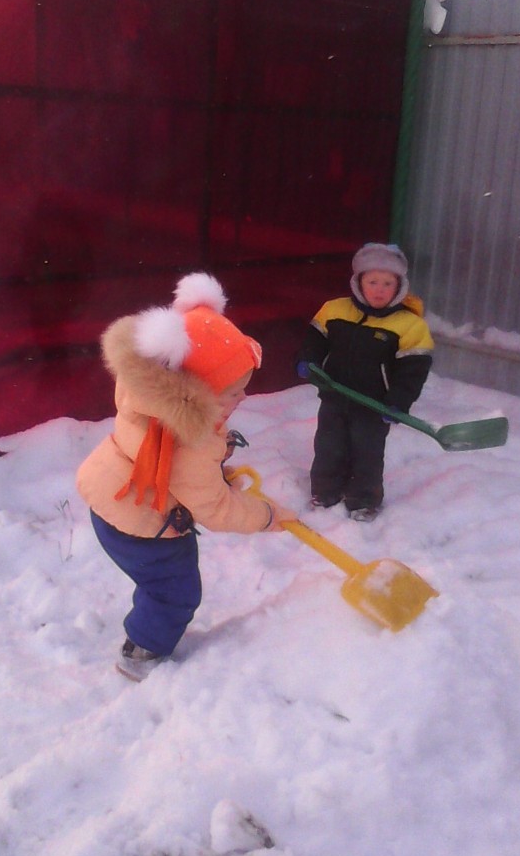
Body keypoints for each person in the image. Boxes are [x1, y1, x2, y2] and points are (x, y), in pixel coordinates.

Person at [77, 272, 295, 681]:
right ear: (197, 393)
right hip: (143, 524)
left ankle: (147, 628)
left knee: (156, 581)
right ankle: (142, 653)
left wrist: (217, 469)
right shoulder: (191, 440)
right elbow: (214, 508)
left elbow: (176, 470)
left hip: (111, 501)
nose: (243, 398)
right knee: (175, 592)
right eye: (232, 393)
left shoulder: (151, 399)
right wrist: (267, 515)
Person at [296, 242, 434, 522]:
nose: (379, 289)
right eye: (372, 282)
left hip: (374, 405)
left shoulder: (410, 325)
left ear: (399, 286)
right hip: (335, 396)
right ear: (359, 282)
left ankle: (364, 500)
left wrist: (398, 402)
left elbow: (412, 371)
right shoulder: (334, 309)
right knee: (328, 446)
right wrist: (308, 361)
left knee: (367, 453)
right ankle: (325, 492)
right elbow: (315, 340)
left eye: (388, 283)